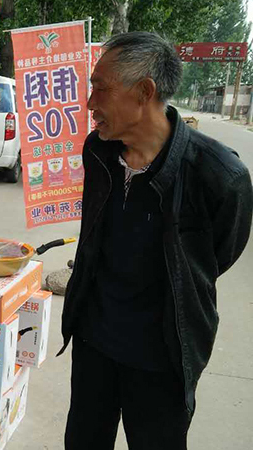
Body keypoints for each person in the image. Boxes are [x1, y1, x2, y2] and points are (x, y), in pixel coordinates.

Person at [61, 32, 252, 449]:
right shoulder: (98, 151)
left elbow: (215, 257)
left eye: (101, 88)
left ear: (144, 92)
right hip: (94, 343)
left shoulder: (219, 175)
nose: (90, 103)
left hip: (163, 356)